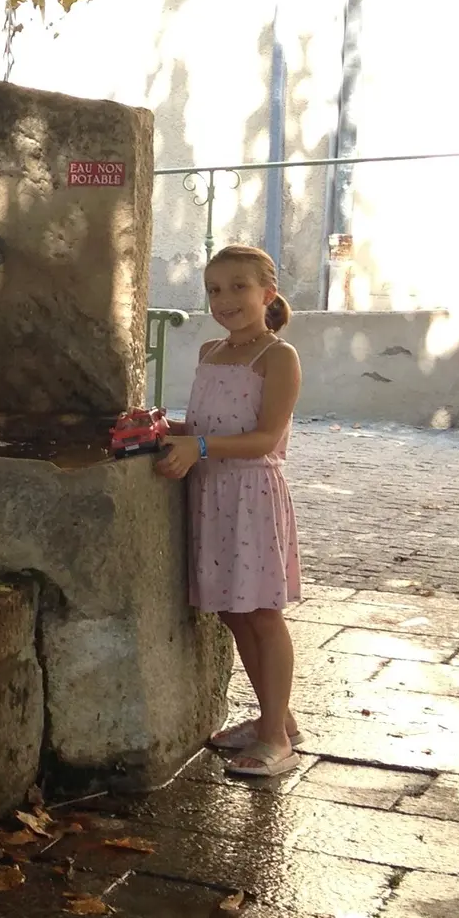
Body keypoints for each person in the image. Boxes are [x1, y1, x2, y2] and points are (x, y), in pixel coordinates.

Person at [156, 244, 304, 777]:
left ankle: (274, 741)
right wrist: (164, 429)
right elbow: (204, 429)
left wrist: (197, 448)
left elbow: (265, 437)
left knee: (262, 612)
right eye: (215, 289)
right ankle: (277, 717)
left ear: (267, 293)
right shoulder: (210, 352)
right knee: (233, 610)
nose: (225, 299)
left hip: (250, 497)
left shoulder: (278, 357)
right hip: (212, 493)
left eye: (239, 287)